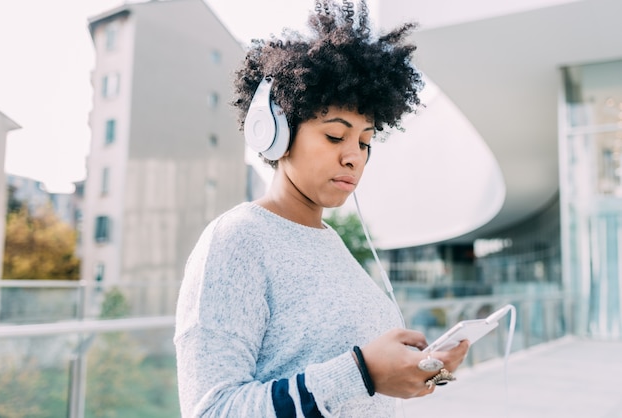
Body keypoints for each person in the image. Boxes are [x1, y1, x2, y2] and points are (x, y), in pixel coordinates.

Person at [173, 1, 469, 416]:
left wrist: (415, 371)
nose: (355, 157)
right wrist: (362, 372)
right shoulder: (237, 240)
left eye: (365, 142)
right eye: (335, 137)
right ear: (276, 132)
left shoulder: (334, 246)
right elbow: (212, 410)